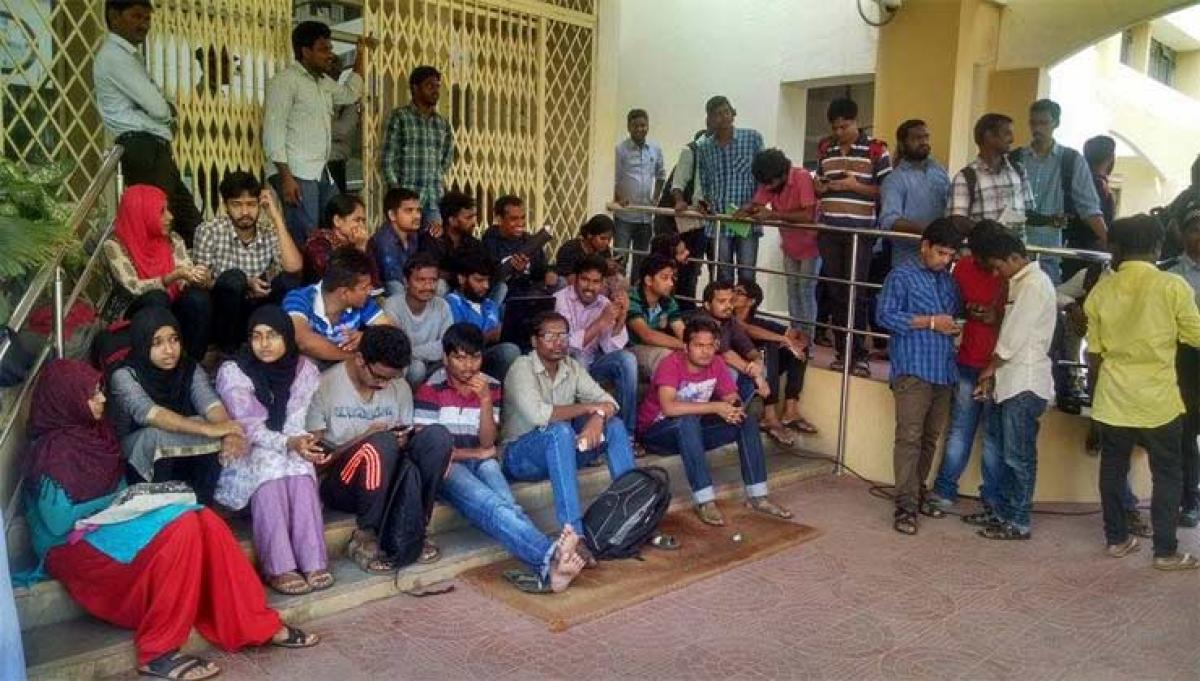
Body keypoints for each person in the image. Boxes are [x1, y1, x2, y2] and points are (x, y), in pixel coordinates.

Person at [23, 359, 317, 680]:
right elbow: (58, 521)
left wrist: (131, 503)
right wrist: (124, 502)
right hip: (71, 547)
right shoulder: (52, 451)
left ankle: (252, 623)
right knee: (182, 527)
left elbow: (116, 497)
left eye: (100, 391)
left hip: (106, 527)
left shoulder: (97, 436)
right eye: (92, 394)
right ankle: (157, 651)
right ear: (66, 398)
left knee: (203, 517)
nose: (102, 399)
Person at [414, 324, 586, 593]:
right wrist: (476, 454)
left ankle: (551, 571)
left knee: (509, 505)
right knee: (493, 505)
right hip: (447, 467)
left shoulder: (490, 385)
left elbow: (487, 442)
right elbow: (428, 451)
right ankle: (550, 554)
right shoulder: (430, 389)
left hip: (481, 459)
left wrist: (484, 400)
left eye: (475, 357)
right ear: (445, 358)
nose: (468, 366)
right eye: (459, 358)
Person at [1085, 215, 1200, 570]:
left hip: (1113, 398)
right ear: (1157, 247)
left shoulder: (1102, 290)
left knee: (1112, 469)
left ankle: (1117, 539)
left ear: (1117, 248)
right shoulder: (1173, 286)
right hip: (1158, 400)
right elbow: (1195, 336)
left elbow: (1094, 353)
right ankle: (1165, 551)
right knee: (1167, 474)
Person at [306, 325, 453, 572]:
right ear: (360, 359)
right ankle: (366, 533)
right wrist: (365, 438)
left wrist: (404, 441)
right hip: (342, 483)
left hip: (388, 476)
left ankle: (416, 524)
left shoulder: (399, 386)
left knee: (438, 438)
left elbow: (405, 440)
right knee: (379, 444)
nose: (385, 384)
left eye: (391, 378)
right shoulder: (324, 387)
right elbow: (314, 462)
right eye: (379, 377)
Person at [215, 306, 332, 595]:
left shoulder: (304, 369)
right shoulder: (234, 371)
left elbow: (297, 421)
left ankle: (313, 560)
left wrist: (298, 444)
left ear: (287, 338)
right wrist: (288, 443)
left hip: (289, 440)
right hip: (248, 447)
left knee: (300, 467)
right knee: (269, 465)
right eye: (257, 336)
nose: (264, 344)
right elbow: (249, 425)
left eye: (272, 336)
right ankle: (278, 566)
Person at [638, 316, 792, 526]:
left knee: (745, 421)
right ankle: (705, 500)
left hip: (692, 432)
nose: (705, 351)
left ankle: (758, 496)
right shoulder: (671, 364)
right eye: (699, 346)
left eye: (710, 345)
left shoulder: (716, 363)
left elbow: (731, 397)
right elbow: (669, 407)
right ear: (686, 347)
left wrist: (735, 407)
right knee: (687, 421)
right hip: (657, 433)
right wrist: (716, 407)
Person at [501, 311, 636, 547]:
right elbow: (539, 415)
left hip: (560, 452)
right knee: (560, 431)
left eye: (563, 336)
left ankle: (634, 515)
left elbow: (609, 402)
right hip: (520, 458)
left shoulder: (571, 366)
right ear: (534, 341)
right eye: (549, 336)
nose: (558, 343)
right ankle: (574, 534)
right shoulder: (521, 367)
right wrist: (589, 408)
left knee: (613, 426)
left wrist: (598, 416)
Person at [875, 218, 963, 535]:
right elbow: (884, 315)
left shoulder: (948, 282)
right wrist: (930, 322)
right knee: (909, 437)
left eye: (950, 255)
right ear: (925, 246)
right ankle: (905, 505)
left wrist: (954, 327)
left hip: (943, 369)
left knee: (929, 438)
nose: (944, 260)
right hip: (913, 368)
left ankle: (917, 492)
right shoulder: (902, 276)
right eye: (940, 253)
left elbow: (953, 317)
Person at [107, 307, 246, 506]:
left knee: (211, 427)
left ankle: (201, 503)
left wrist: (229, 432)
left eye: (174, 340)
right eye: (157, 343)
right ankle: (161, 507)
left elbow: (210, 404)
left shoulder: (188, 367)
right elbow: (152, 414)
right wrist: (209, 429)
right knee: (155, 435)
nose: (169, 350)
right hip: (136, 456)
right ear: (142, 343)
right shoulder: (124, 375)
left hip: (181, 448)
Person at [94, 0, 202, 246]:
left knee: (184, 221)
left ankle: (192, 267)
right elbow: (159, 107)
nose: (144, 25)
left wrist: (160, 109)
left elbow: (158, 105)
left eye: (147, 18)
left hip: (150, 150)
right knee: (167, 221)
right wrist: (165, 112)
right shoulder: (115, 56)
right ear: (114, 16)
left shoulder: (129, 56)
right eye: (136, 16)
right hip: (143, 149)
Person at [971, 229, 1056, 540]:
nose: (996, 273)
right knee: (1005, 453)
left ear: (1015, 257)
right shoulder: (1022, 283)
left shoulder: (1034, 284)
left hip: (1025, 382)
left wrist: (988, 369)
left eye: (998, 266)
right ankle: (1003, 513)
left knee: (1018, 457)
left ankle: (1019, 521)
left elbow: (1014, 337)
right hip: (1011, 381)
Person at [264, 21, 366, 245]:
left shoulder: (323, 82)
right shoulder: (284, 82)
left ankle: (331, 266)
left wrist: (361, 54)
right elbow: (273, 132)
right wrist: (286, 177)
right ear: (305, 51)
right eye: (323, 49)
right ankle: (305, 269)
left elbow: (350, 94)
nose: (330, 55)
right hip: (296, 171)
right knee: (306, 236)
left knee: (337, 223)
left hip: (320, 170)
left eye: (330, 48)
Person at [929, 221, 1006, 517]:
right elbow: (951, 308)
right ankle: (944, 490)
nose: (986, 265)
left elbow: (1020, 319)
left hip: (998, 364)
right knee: (960, 430)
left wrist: (995, 316)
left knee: (992, 437)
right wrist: (969, 311)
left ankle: (992, 499)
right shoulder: (962, 268)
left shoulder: (1009, 273)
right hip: (967, 358)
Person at [814, 98, 893, 377]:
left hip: (860, 233)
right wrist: (819, 186)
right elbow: (818, 185)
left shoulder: (876, 150)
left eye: (844, 126)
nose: (839, 132)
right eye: (835, 128)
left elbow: (886, 191)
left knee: (855, 293)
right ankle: (841, 352)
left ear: (856, 122)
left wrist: (855, 186)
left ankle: (859, 355)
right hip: (830, 230)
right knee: (836, 292)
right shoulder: (826, 148)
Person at [193, 171, 304, 353]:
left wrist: (276, 217)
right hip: (226, 312)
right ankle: (228, 352)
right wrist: (246, 283)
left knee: (289, 280)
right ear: (226, 206)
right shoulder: (209, 231)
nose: (245, 212)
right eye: (237, 205)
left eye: (251, 204)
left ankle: (281, 345)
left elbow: (294, 267)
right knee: (234, 279)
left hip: (260, 306)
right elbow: (200, 282)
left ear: (259, 204)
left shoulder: (269, 230)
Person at [103, 185, 213, 362]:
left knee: (198, 298)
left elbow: (184, 278)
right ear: (141, 214)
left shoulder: (173, 239)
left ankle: (191, 363)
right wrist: (171, 277)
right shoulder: (115, 245)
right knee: (157, 297)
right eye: (161, 212)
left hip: (171, 305)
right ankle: (154, 360)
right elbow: (133, 286)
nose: (170, 216)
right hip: (136, 311)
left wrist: (199, 277)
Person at [1011, 99, 1107, 284]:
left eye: (1043, 123)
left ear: (1056, 123)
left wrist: (1107, 239)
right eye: (1033, 123)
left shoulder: (1071, 160)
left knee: (1048, 295)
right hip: (1014, 250)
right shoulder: (1015, 158)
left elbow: (1088, 207)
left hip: (1050, 252)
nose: (1037, 129)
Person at [737, 148, 819, 338]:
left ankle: (808, 339)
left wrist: (774, 215)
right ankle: (796, 335)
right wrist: (745, 210)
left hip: (811, 244)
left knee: (805, 290)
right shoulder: (770, 181)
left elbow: (808, 215)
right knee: (793, 289)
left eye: (770, 182)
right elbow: (758, 203)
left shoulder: (801, 177)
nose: (767, 186)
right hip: (789, 244)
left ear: (782, 174)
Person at [553, 254, 636, 434]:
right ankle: (582, 432)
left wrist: (622, 317)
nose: (590, 287)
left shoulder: (604, 303)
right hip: (564, 366)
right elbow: (566, 346)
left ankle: (627, 432)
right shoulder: (559, 300)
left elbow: (610, 348)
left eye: (596, 282)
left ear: (603, 283)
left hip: (593, 365)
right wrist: (601, 322)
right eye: (585, 280)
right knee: (579, 358)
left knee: (627, 359)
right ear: (575, 279)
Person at [732, 281, 815, 438]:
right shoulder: (729, 319)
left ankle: (791, 410)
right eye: (734, 291)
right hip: (744, 370)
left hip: (766, 370)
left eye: (739, 292)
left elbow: (798, 334)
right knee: (770, 345)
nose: (733, 295)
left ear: (751, 301)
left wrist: (800, 344)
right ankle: (769, 416)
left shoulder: (759, 322)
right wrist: (783, 339)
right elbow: (747, 329)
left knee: (797, 349)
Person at [695, 96, 764, 283]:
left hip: (745, 218)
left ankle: (745, 304)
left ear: (733, 113)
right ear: (710, 119)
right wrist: (705, 203)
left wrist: (753, 205)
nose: (724, 117)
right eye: (718, 114)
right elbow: (705, 181)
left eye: (727, 112)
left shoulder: (752, 138)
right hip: (720, 220)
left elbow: (763, 178)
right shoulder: (705, 147)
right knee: (722, 276)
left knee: (747, 275)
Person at [284, 247, 392, 364]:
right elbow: (303, 341)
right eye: (364, 287)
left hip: (346, 365)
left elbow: (391, 332)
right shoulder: (299, 298)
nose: (370, 290)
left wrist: (367, 337)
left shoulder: (363, 302)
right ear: (344, 293)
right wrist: (352, 356)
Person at [381, 65, 454, 231]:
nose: (435, 91)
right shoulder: (400, 117)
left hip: (433, 200)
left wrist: (435, 177)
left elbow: (446, 159)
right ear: (415, 88)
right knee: (407, 243)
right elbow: (387, 158)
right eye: (429, 86)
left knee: (433, 242)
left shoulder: (442, 123)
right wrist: (397, 192)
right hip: (406, 201)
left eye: (437, 86)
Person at [1165, 210, 1200, 528]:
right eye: (1195, 229)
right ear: (1183, 234)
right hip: (1185, 362)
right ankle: (1190, 501)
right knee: (1185, 435)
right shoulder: (1170, 273)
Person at [880, 119, 951, 269]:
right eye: (917, 138)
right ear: (902, 144)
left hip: (941, 259)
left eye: (926, 137)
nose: (924, 142)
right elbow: (889, 221)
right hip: (909, 261)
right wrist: (928, 232)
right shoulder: (895, 179)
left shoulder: (939, 171)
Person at [947, 113, 1034, 231]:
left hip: (1017, 242)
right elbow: (958, 220)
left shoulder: (1019, 171)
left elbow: (1028, 212)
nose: (1012, 139)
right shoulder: (966, 177)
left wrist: (1050, 220)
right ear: (989, 136)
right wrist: (992, 233)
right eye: (1007, 133)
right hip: (983, 243)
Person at [445, 251, 522, 380]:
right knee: (509, 351)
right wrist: (488, 336)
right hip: (468, 360)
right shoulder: (451, 303)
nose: (486, 286)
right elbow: (457, 344)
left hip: (491, 354)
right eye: (479, 280)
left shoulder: (489, 304)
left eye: (487, 280)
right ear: (461, 279)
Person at [382, 253, 454, 386]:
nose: (428, 286)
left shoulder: (442, 306)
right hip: (404, 367)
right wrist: (423, 352)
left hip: (435, 366)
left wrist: (412, 351)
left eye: (433, 280)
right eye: (421, 280)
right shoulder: (393, 305)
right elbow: (396, 349)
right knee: (416, 368)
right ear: (405, 281)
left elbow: (447, 345)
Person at [612, 108, 666, 274]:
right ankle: (617, 289)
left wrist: (656, 197)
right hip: (625, 216)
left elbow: (661, 175)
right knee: (619, 260)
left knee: (642, 263)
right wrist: (618, 198)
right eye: (636, 126)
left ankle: (637, 290)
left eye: (643, 125)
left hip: (645, 217)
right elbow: (613, 178)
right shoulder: (620, 150)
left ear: (648, 126)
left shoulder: (655, 149)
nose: (640, 129)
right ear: (629, 127)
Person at [669, 127, 715, 302]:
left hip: (716, 223)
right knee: (691, 269)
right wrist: (680, 202)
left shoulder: (720, 161)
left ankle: (714, 306)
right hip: (692, 224)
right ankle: (686, 307)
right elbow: (676, 189)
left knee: (718, 268)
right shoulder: (690, 154)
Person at [482, 195, 555, 299]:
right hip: (504, 299)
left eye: (522, 218)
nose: (520, 223)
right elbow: (491, 279)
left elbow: (541, 271)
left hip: (530, 295)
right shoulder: (490, 243)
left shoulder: (530, 241)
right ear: (499, 219)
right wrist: (515, 272)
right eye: (513, 219)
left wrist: (550, 273)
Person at [626, 255, 685, 380]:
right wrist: (686, 346)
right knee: (665, 355)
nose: (671, 283)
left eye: (672, 278)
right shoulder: (631, 298)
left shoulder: (668, 301)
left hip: (656, 348)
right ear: (648, 280)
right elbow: (647, 335)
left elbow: (682, 331)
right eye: (665, 278)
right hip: (629, 350)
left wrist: (694, 345)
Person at [418, 190, 486, 288]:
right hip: (442, 290)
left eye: (474, 217)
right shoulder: (433, 240)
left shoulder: (473, 243)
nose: (473, 222)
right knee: (440, 285)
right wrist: (455, 277)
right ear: (452, 220)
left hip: (469, 292)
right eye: (468, 218)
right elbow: (428, 270)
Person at [303, 194, 374, 284]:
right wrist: (359, 249)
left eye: (363, 221)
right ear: (337, 221)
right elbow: (335, 275)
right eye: (357, 220)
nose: (362, 226)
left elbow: (374, 275)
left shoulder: (357, 241)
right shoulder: (318, 242)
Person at [370, 187, 424, 296]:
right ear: (392, 215)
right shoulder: (384, 240)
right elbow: (392, 275)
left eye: (418, 210)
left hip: (408, 283)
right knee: (395, 286)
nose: (417, 216)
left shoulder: (413, 235)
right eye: (409, 211)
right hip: (383, 290)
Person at [326, 53, 360, 194]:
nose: (333, 71)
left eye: (336, 69)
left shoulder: (345, 99)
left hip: (334, 162)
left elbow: (343, 130)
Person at [554, 214, 616, 283]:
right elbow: (566, 277)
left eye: (609, 239)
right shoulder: (570, 249)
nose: (606, 242)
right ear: (589, 235)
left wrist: (610, 269)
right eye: (602, 238)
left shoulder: (604, 250)